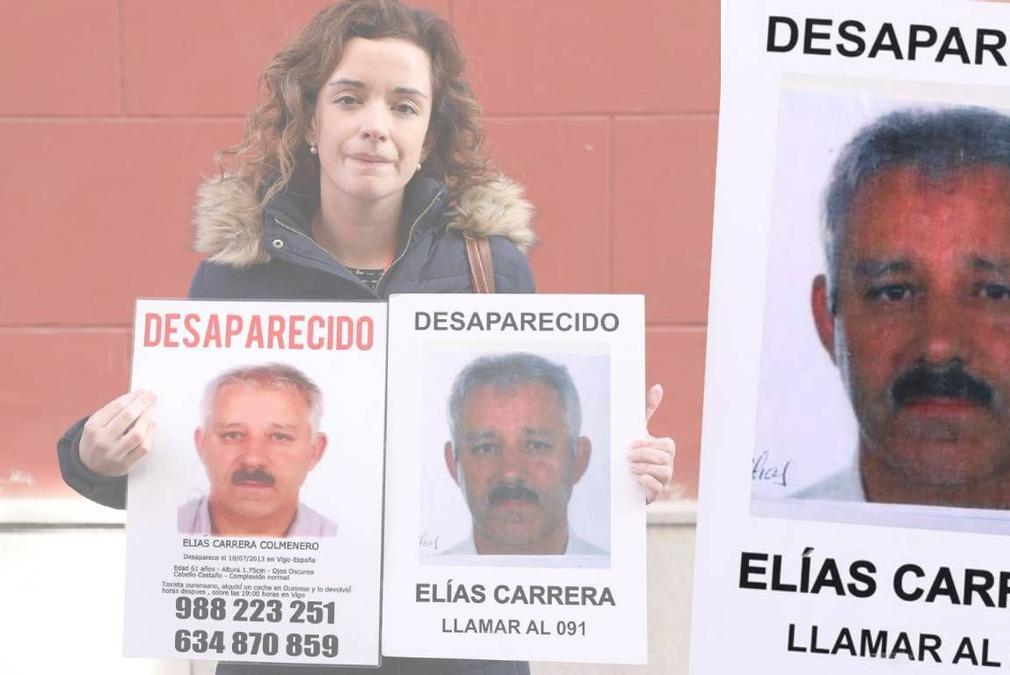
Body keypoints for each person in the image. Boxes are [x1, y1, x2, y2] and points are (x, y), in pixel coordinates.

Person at [55, 1, 676, 673]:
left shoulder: (490, 267)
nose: (376, 127)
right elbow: (185, 466)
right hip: (292, 653)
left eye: (405, 107)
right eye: (350, 99)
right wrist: (97, 455)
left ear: (430, 137)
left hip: (457, 653)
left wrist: (626, 467)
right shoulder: (238, 274)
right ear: (311, 122)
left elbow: (538, 449)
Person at [799, 107, 1010, 515]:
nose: (938, 345)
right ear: (828, 321)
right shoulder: (766, 541)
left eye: (995, 292)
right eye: (894, 292)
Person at [441, 353, 606, 556]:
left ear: (578, 459)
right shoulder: (419, 581)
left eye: (536, 445)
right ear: (452, 464)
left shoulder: (619, 580)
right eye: (486, 448)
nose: (510, 473)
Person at [179, 363, 336, 538]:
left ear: (314, 451)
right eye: (233, 435)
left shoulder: (347, 547)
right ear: (202, 444)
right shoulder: (158, 530)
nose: (253, 459)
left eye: (279, 437)